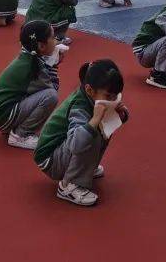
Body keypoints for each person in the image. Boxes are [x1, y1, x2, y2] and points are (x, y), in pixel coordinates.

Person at [34, 59, 128, 207]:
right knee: (92, 133)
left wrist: (119, 114)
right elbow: (75, 143)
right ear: (90, 90)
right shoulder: (79, 106)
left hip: (63, 150)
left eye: (115, 97)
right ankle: (68, 185)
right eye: (108, 96)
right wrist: (96, 118)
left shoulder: (92, 98)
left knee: (101, 128)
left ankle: (85, 169)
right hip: (50, 160)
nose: (112, 100)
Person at [0, 20, 61, 149]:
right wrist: (54, 64)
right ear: (41, 46)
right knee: (51, 96)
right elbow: (52, 87)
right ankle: (21, 135)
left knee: (43, 94)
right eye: (53, 37)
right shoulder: (33, 66)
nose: (56, 40)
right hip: (3, 115)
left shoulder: (28, 57)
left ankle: (16, 128)